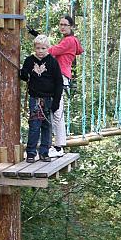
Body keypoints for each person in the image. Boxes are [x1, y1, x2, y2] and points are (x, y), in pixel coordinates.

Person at [19, 35, 62, 163]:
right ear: (34, 48)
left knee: (46, 126)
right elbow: (24, 75)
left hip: (48, 98)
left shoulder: (52, 62)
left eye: (43, 48)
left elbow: (58, 82)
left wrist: (56, 101)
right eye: (38, 48)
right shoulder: (29, 60)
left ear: (48, 48)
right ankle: (31, 153)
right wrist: (24, 73)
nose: (40, 51)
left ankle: (44, 152)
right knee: (34, 125)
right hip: (35, 98)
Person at [46, 15, 84, 157]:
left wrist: (40, 42)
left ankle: (59, 147)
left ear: (71, 26)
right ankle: (56, 145)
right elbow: (79, 50)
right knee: (54, 110)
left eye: (65, 25)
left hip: (60, 77)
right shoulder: (70, 41)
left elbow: (51, 51)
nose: (62, 27)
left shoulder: (69, 41)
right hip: (60, 77)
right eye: (60, 24)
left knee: (57, 111)